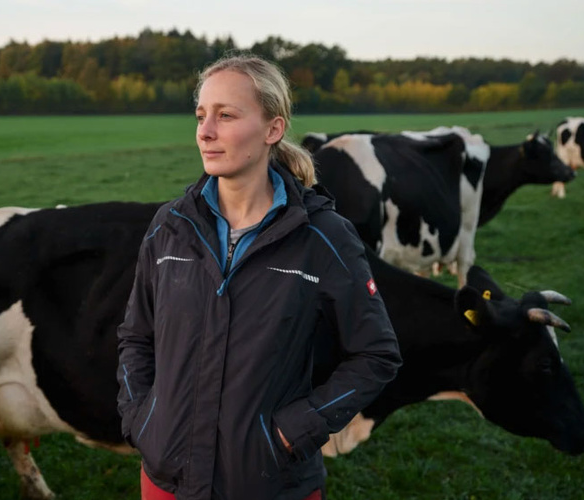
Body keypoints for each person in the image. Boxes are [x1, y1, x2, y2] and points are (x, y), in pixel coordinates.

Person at [116, 53, 402, 500]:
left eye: (226, 115)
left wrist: (293, 432)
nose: (205, 132)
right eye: (201, 115)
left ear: (273, 129)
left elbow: (376, 355)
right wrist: (142, 419)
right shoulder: (169, 226)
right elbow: (136, 337)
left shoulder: (323, 236)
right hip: (166, 481)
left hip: (271, 486)